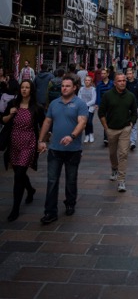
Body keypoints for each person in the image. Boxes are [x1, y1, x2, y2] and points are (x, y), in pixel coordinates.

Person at [37, 75, 88, 224]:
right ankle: (50, 212)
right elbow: (47, 122)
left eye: (67, 86)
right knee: (52, 181)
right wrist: (41, 140)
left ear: (74, 88)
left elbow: (82, 123)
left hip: (73, 150)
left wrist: (72, 136)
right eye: (62, 86)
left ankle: (70, 203)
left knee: (71, 180)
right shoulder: (54, 103)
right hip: (55, 149)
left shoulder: (80, 104)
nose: (64, 88)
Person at [1, 79, 45, 221]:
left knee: (19, 174)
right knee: (18, 172)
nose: (24, 90)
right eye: (22, 87)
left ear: (31, 90)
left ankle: (15, 209)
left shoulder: (37, 108)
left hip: (29, 142)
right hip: (13, 142)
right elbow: (3, 120)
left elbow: (44, 124)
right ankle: (30, 190)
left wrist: (42, 141)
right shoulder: (12, 104)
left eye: (27, 87)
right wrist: (10, 114)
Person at [98, 73, 138, 192]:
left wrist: (131, 124)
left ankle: (121, 180)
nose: (122, 83)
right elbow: (101, 112)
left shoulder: (130, 96)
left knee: (123, 154)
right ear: (114, 83)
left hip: (125, 128)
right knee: (112, 153)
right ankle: (114, 168)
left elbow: (135, 113)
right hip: (111, 129)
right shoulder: (108, 95)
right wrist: (106, 127)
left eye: (124, 80)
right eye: (119, 81)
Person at [96, 68, 114, 146]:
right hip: (103, 105)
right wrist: (98, 105)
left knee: (111, 121)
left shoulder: (112, 83)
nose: (102, 75)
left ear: (108, 74)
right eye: (101, 73)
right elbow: (98, 95)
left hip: (111, 104)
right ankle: (106, 137)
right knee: (105, 121)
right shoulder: (99, 84)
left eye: (104, 73)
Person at [126, 67, 138, 150]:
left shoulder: (137, 84)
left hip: (134, 106)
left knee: (134, 124)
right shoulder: (124, 84)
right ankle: (125, 139)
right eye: (127, 74)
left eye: (130, 73)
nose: (128, 75)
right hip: (125, 107)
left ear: (133, 74)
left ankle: (133, 141)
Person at [78, 75, 96, 143]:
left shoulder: (93, 89)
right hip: (82, 108)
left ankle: (91, 134)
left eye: (89, 80)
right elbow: (79, 97)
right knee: (84, 122)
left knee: (89, 122)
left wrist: (86, 104)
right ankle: (86, 135)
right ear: (84, 81)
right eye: (86, 80)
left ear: (91, 82)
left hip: (90, 108)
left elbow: (93, 100)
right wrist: (82, 105)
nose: (87, 81)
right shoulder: (81, 89)